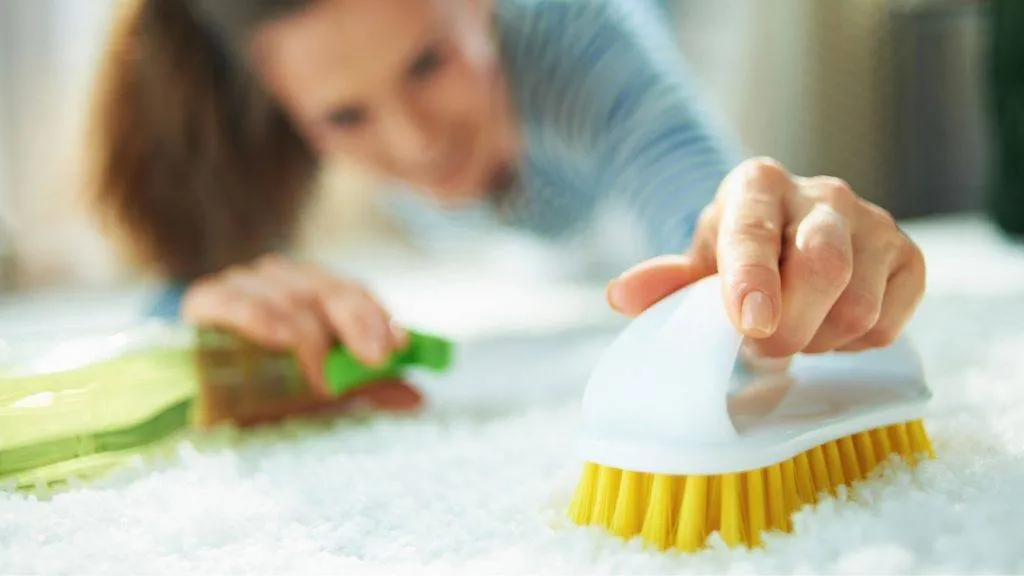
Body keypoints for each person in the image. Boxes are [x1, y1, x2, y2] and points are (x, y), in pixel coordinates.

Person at [85, 0, 925, 411]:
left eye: (428, 64)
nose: (418, 143)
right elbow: (175, 296)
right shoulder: (262, 102)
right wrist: (212, 310)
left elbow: (700, 211)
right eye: (345, 117)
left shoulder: (579, 41)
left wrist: (769, 260)